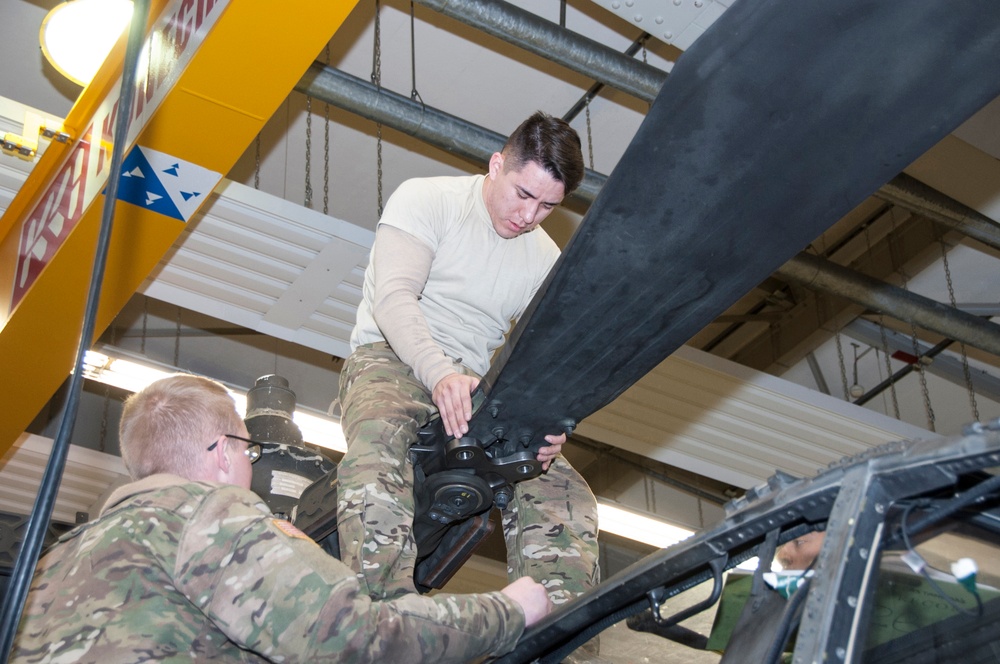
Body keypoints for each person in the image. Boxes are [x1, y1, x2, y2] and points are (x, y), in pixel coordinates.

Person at [12, 374, 552, 663]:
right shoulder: (209, 514)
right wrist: (506, 612)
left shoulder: (54, 563)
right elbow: (355, 640)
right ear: (223, 451)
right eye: (248, 452)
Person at [338, 111, 600, 606]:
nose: (529, 216)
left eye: (547, 206)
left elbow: (542, 366)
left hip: (479, 390)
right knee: (378, 443)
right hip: (392, 359)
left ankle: (554, 633)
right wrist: (440, 375)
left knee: (564, 491)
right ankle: (386, 610)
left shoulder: (545, 261)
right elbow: (393, 299)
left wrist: (546, 426)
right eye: (523, 194)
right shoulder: (428, 199)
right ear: (497, 164)